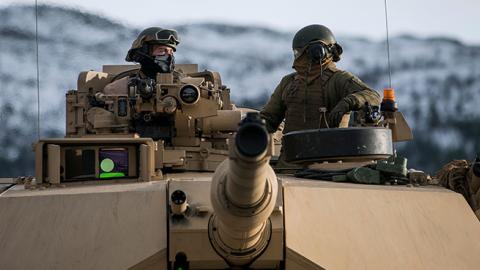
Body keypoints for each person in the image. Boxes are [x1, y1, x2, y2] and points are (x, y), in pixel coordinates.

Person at [260, 24, 381, 134]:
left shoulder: (338, 79)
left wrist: (348, 102)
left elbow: (373, 96)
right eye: (296, 53)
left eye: (300, 53)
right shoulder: (288, 82)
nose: (297, 57)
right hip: (291, 156)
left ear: (317, 52)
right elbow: (269, 119)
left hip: (329, 155)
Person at [104, 27, 181, 95]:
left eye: (171, 52)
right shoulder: (119, 88)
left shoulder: (184, 86)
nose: (169, 56)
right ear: (144, 52)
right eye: (162, 51)